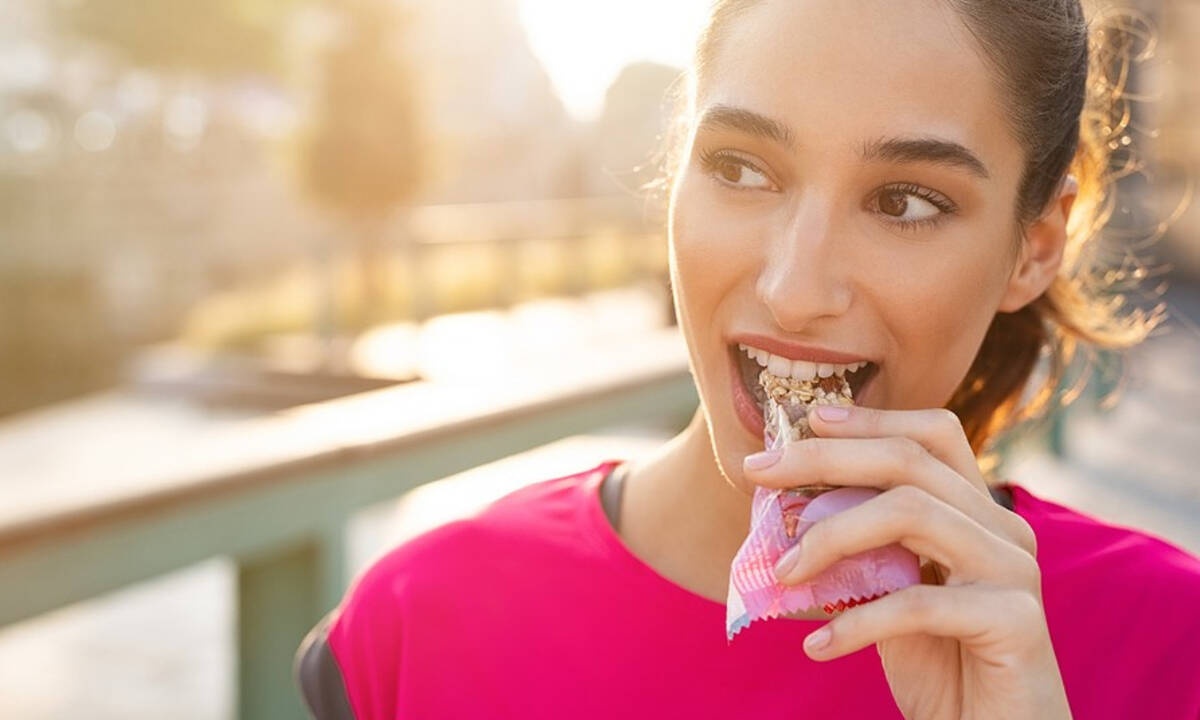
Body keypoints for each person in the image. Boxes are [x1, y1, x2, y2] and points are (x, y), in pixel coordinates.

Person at [295, 1, 1200, 717]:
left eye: (907, 201)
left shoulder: (1168, 649)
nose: (795, 286)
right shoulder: (418, 627)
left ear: (1035, 246)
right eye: (740, 169)